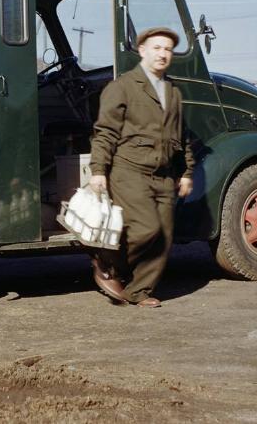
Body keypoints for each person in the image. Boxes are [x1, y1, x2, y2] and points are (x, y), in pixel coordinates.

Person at [88, 27, 195, 308]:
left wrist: (186, 172)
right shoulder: (122, 87)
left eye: (168, 50)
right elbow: (106, 132)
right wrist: (99, 170)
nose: (163, 54)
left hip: (163, 175)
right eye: (157, 48)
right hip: (129, 170)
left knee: (164, 236)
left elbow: (182, 137)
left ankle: (139, 291)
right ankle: (107, 261)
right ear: (142, 51)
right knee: (146, 229)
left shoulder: (173, 92)